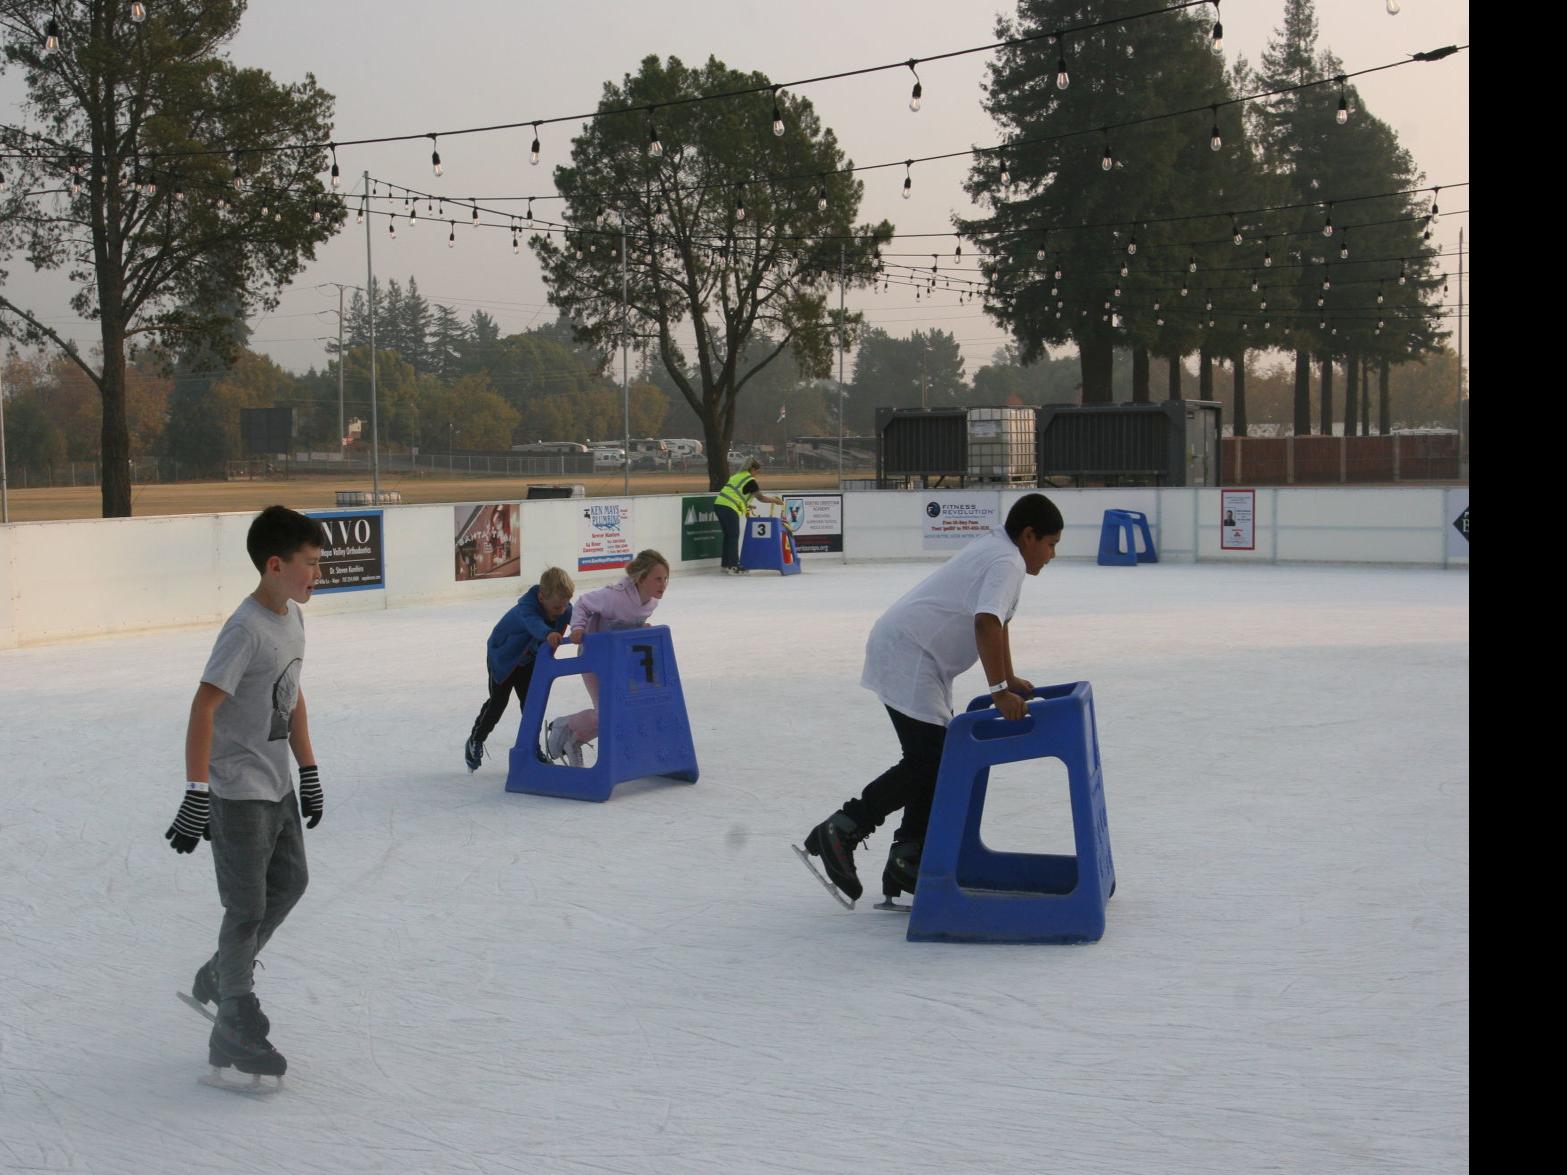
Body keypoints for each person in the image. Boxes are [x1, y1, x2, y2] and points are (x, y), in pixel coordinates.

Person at [800, 493, 1065, 908]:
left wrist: (1007, 677)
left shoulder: (1002, 552)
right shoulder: (1006, 561)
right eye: (1050, 543)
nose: (1051, 554)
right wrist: (998, 693)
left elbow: (999, 623)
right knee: (930, 760)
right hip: (910, 653)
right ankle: (844, 828)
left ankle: (908, 854)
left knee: (937, 758)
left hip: (921, 658)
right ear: (1028, 535)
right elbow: (986, 622)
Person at [166, 505, 327, 1080]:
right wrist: (195, 791)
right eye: (310, 564)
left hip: (276, 782)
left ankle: (219, 974)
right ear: (275, 564)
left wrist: (307, 770)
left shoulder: (290, 619)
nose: (318, 573)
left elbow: (293, 693)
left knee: (292, 883)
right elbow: (203, 706)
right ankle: (235, 1013)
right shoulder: (245, 629)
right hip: (236, 792)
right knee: (246, 907)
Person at [544, 550, 671, 767]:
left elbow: (626, 623)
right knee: (608, 714)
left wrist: (640, 628)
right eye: (658, 578)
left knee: (620, 713)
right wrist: (577, 628)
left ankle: (573, 740)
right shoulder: (614, 597)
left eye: (666, 578)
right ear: (641, 579)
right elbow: (583, 603)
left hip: (617, 661)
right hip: (593, 657)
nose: (663, 584)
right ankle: (563, 726)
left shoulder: (651, 602)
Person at [465, 567, 575, 772]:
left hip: (528, 660)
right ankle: (475, 740)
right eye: (557, 607)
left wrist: (585, 629)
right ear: (542, 597)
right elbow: (534, 624)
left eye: (565, 606)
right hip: (504, 658)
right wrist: (548, 633)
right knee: (498, 703)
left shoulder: (565, 608)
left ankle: (533, 749)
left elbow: (580, 619)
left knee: (530, 705)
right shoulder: (527, 608)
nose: (561, 612)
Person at [713, 458, 785, 574]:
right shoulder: (750, 480)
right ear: (752, 469)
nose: (757, 474)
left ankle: (726, 564)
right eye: (757, 471)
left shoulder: (737, 476)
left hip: (719, 504)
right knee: (733, 536)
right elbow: (760, 497)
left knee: (728, 536)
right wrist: (774, 501)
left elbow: (736, 493)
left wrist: (746, 506)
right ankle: (733, 566)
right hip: (729, 507)